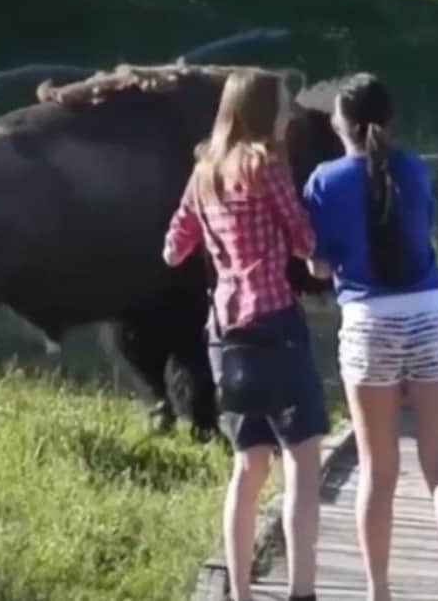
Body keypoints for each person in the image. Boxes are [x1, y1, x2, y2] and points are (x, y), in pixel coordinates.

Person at [301, 73, 438, 601]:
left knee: (378, 469)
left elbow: (319, 265)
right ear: (390, 120)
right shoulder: (414, 169)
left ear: (338, 123)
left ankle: (379, 591)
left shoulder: (324, 181)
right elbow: (421, 234)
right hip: (430, 312)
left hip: (369, 320)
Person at [162, 68, 326, 601]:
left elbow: (174, 248)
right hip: (275, 321)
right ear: (261, 113)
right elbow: (303, 239)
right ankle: (302, 589)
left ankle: (240, 590)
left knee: (248, 464)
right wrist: (317, 257)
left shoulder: (203, 171)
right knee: (302, 458)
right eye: (280, 107)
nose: (288, 115)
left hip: (225, 334)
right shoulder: (266, 166)